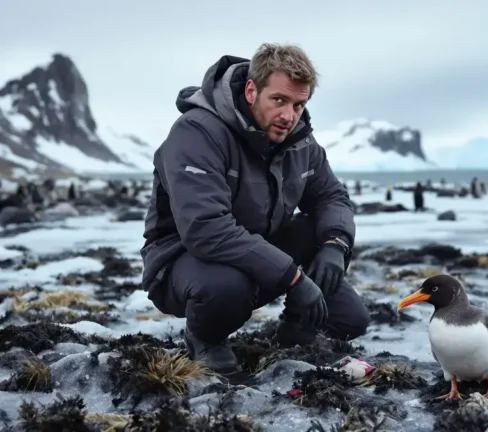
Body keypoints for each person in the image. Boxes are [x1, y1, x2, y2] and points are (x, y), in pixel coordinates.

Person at [140, 43, 371, 375]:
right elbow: (205, 229)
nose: (289, 116)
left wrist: (336, 245)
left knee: (349, 319)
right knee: (226, 288)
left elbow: (331, 198)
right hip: (183, 262)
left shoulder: (300, 141)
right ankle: (205, 337)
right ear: (251, 90)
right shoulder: (197, 132)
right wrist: (293, 277)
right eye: (278, 100)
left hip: (257, 250)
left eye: (298, 104)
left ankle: (296, 328)